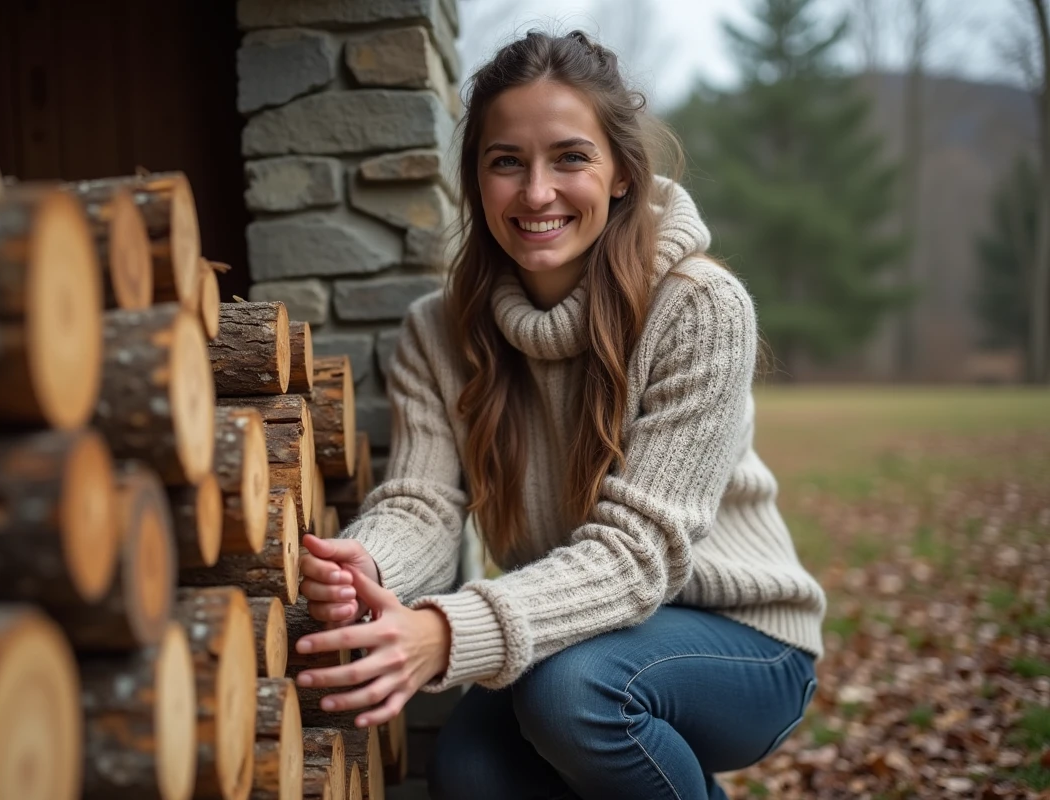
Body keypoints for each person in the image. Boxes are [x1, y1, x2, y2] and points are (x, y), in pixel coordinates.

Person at [290, 29, 827, 800]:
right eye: (506, 161)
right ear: (476, 182)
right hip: (568, 632)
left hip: (742, 639)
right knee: (471, 775)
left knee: (576, 697)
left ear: (619, 176)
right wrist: (368, 566)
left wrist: (443, 632)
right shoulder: (437, 332)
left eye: (570, 157)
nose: (537, 192)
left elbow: (639, 554)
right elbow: (424, 505)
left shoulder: (700, 308)